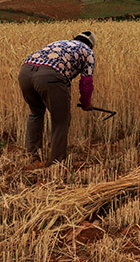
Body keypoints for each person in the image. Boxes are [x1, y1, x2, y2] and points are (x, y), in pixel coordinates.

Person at [18, 30, 96, 164]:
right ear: (91, 45)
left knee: (36, 113)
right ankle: (57, 162)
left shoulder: (59, 42)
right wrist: (86, 103)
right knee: (61, 120)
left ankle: (32, 155)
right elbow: (86, 82)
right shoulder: (88, 52)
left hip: (25, 73)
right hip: (50, 76)